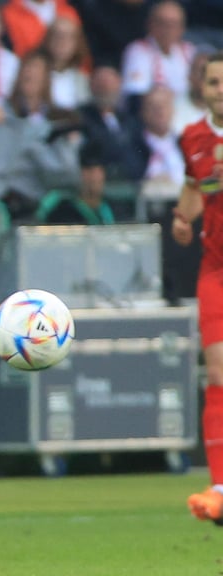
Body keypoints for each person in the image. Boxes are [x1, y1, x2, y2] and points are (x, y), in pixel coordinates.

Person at [174, 52, 223, 526]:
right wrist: (182, 217)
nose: (221, 89)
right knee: (217, 372)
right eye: (214, 82)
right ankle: (220, 486)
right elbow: (193, 187)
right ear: (203, 88)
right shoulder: (193, 137)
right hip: (216, 271)